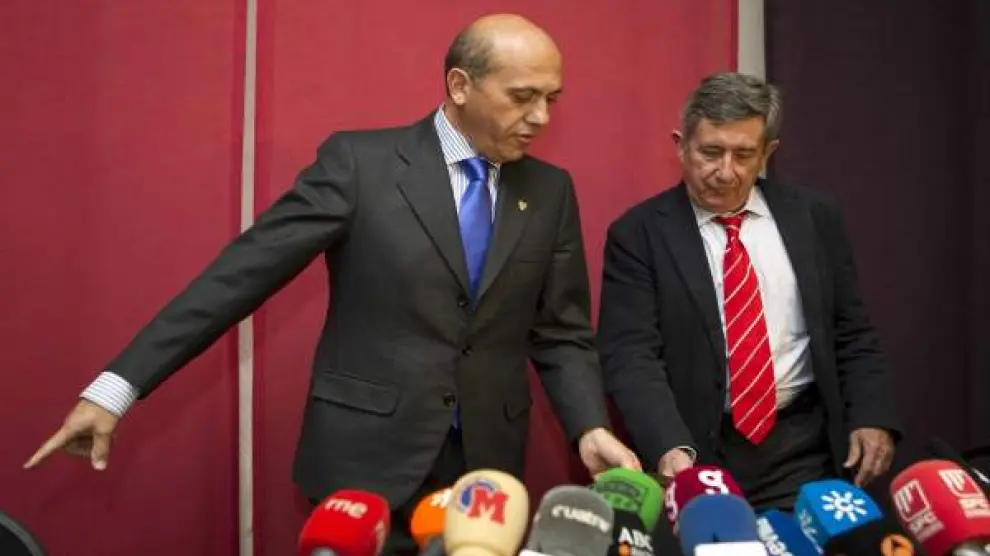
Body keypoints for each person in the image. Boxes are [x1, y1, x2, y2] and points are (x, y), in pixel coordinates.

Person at [25, 14, 640, 554]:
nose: (540, 117)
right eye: (522, 97)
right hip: (365, 468)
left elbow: (560, 333)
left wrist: (589, 426)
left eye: (551, 99)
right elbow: (238, 277)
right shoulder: (359, 165)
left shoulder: (550, 191)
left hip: (483, 480)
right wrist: (117, 389)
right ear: (460, 85)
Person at [597, 72, 901, 511]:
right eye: (710, 152)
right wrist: (669, 445)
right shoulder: (638, 234)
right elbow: (631, 355)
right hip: (697, 449)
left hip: (804, 446)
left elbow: (851, 330)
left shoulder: (814, 218)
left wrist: (871, 414)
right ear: (681, 145)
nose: (725, 172)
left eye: (743, 155)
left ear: (767, 153)